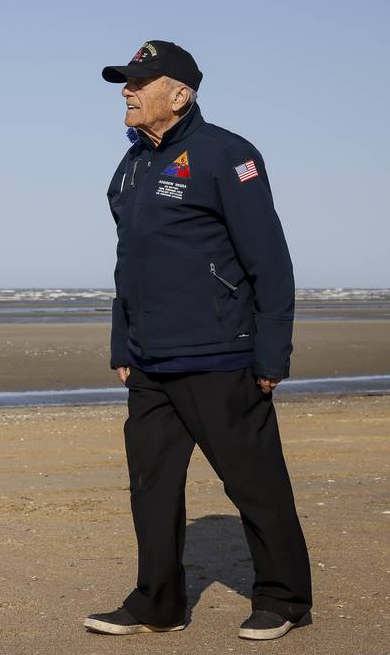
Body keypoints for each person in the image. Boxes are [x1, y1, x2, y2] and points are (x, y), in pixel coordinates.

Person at [83, 40, 313, 642]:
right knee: (152, 491)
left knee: (255, 484)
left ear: (179, 94)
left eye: (139, 82)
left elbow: (271, 261)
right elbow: (128, 263)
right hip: (150, 362)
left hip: (221, 355)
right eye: (124, 83)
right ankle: (157, 603)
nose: (127, 92)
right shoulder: (131, 163)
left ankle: (284, 599)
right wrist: (121, 345)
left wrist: (271, 355)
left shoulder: (227, 156)